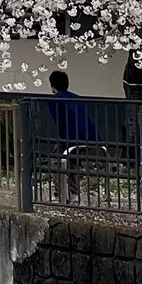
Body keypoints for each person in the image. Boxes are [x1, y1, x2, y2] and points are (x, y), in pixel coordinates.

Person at [47, 70, 98, 201]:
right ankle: (73, 192)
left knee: (55, 162)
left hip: (68, 135)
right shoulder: (76, 98)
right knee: (74, 162)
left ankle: (62, 191)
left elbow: (60, 121)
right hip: (86, 135)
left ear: (52, 85)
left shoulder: (56, 100)